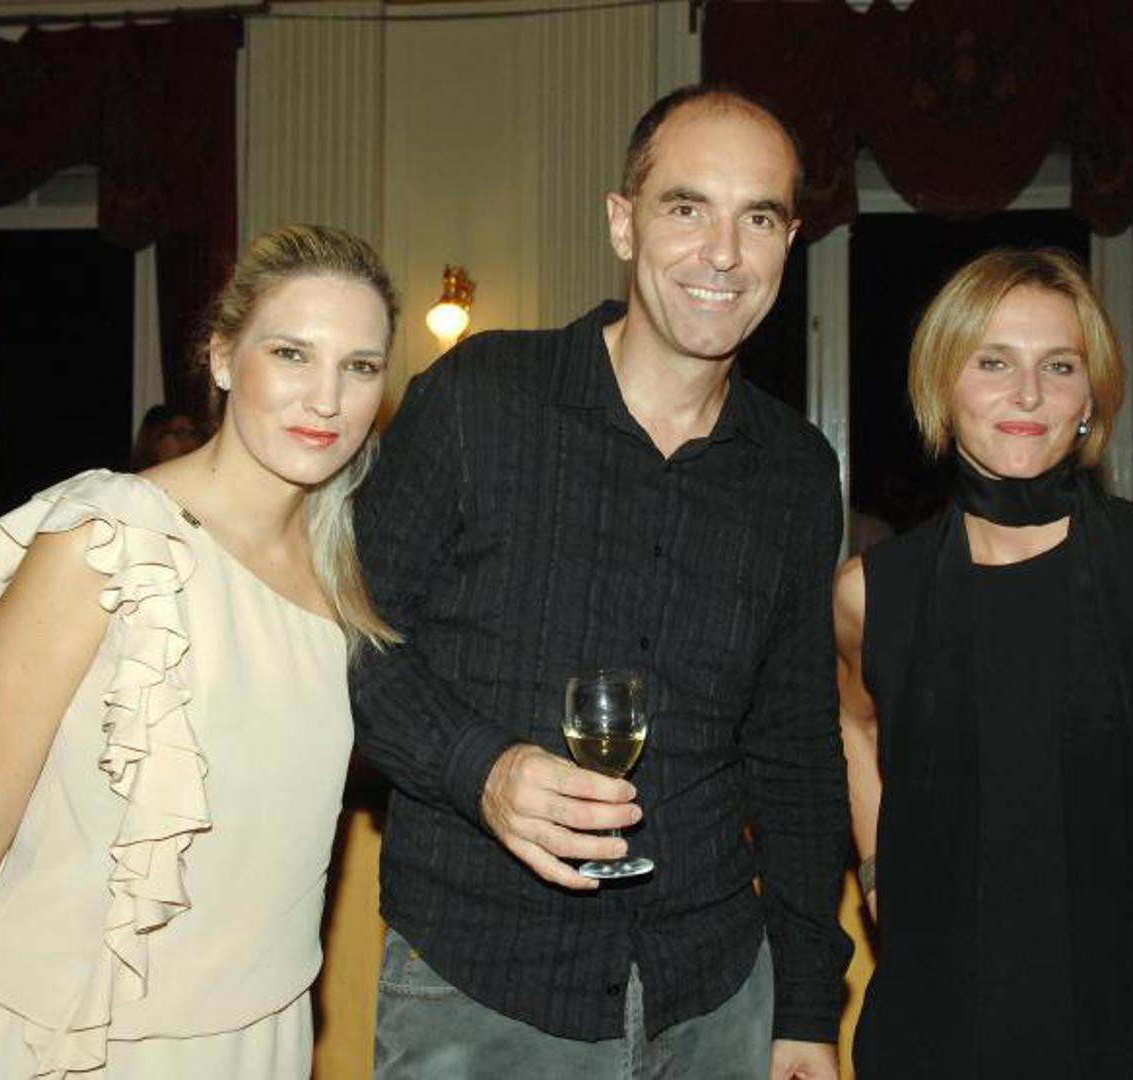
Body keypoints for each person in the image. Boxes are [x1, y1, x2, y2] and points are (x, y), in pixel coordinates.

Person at [353, 86, 852, 1079]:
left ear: (789, 244)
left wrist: (806, 1004)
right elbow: (350, 636)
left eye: (758, 219)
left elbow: (795, 747)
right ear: (623, 223)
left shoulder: (797, 472)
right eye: (686, 207)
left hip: (712, 994)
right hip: (480, 987)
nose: (723, 253)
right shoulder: (479, 398)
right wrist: (482, 770)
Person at [0, 224, 398, 1078]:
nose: (326, 399)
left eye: (359, 366)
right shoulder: (110, 541)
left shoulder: (349, 580)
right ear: (222, 358)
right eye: (292, 353)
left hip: (258, 1038)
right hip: (72, 1037)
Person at [835, 249, 1133, 1078]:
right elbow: (853, 725)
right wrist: (882, 876)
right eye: (993, 362)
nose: (1028, 393)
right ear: (942, 384)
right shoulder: (872, 592)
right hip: (931, 1036)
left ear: (1090, 399)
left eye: (1059, 366)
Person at [129, 404, 203, 471]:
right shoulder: (138, 480)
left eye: (193, 433)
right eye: (181, 433)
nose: (192, 441)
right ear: (155, 440)